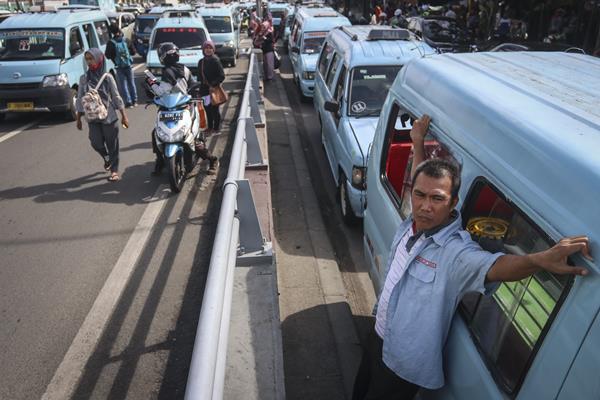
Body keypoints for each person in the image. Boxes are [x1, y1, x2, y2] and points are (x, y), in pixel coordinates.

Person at [352, 115, 592, 400]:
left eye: (438, 199)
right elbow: (422, 179)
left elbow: (494, 266)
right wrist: (417, 142)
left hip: (401, 363)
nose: (426, 206)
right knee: (359, 387)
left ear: (454, 202)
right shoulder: (414, 221)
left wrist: (537, 260)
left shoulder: (454, 251)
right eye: (419, 196)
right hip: (378, 331)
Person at [151, 42, 219, 175]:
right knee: (158, 133)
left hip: (184, 108)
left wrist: (151, 83)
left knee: (189, 136)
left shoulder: (167, 73)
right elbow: (193, 85)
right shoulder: (184, 68)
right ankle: (160, 160)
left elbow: (161, 92)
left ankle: (212, 159)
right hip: (174, 108)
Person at [76, 48, 129, 182]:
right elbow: (80, 98)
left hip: (109, 116)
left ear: (99, 59)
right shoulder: (84, 79)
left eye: (91, 58)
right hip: (92, 117)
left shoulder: (107, 77)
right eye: (87, 59)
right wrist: (79, 118)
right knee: (95, 142)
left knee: (113, 144)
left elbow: (116, 96)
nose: (89, 62)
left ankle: (114, 170)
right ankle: (106, 158)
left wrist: (124, 115)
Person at [105, 25, 138, 108]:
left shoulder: (111, 43)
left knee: (123, 85)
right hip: (128, 65)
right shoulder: (125, 40)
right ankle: (135, 101)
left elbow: (107, 55)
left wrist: (114, 57)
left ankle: (128, 102)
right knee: (131, 83)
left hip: (119, 66)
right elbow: (134, 52)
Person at [197, 40, 225, 135]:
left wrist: (213, 84)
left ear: (213, 49)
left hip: (214, 90)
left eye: (210, 48)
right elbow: (199, 77)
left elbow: (222, 76)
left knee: (215, 109)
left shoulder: (216, 60)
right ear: (203, 50)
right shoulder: (201, 62)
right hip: (205, 91)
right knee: (207, 108)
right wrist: (200, 91)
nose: (208, 50)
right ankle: (210, 127)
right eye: (206, 48)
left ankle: (216, 128)